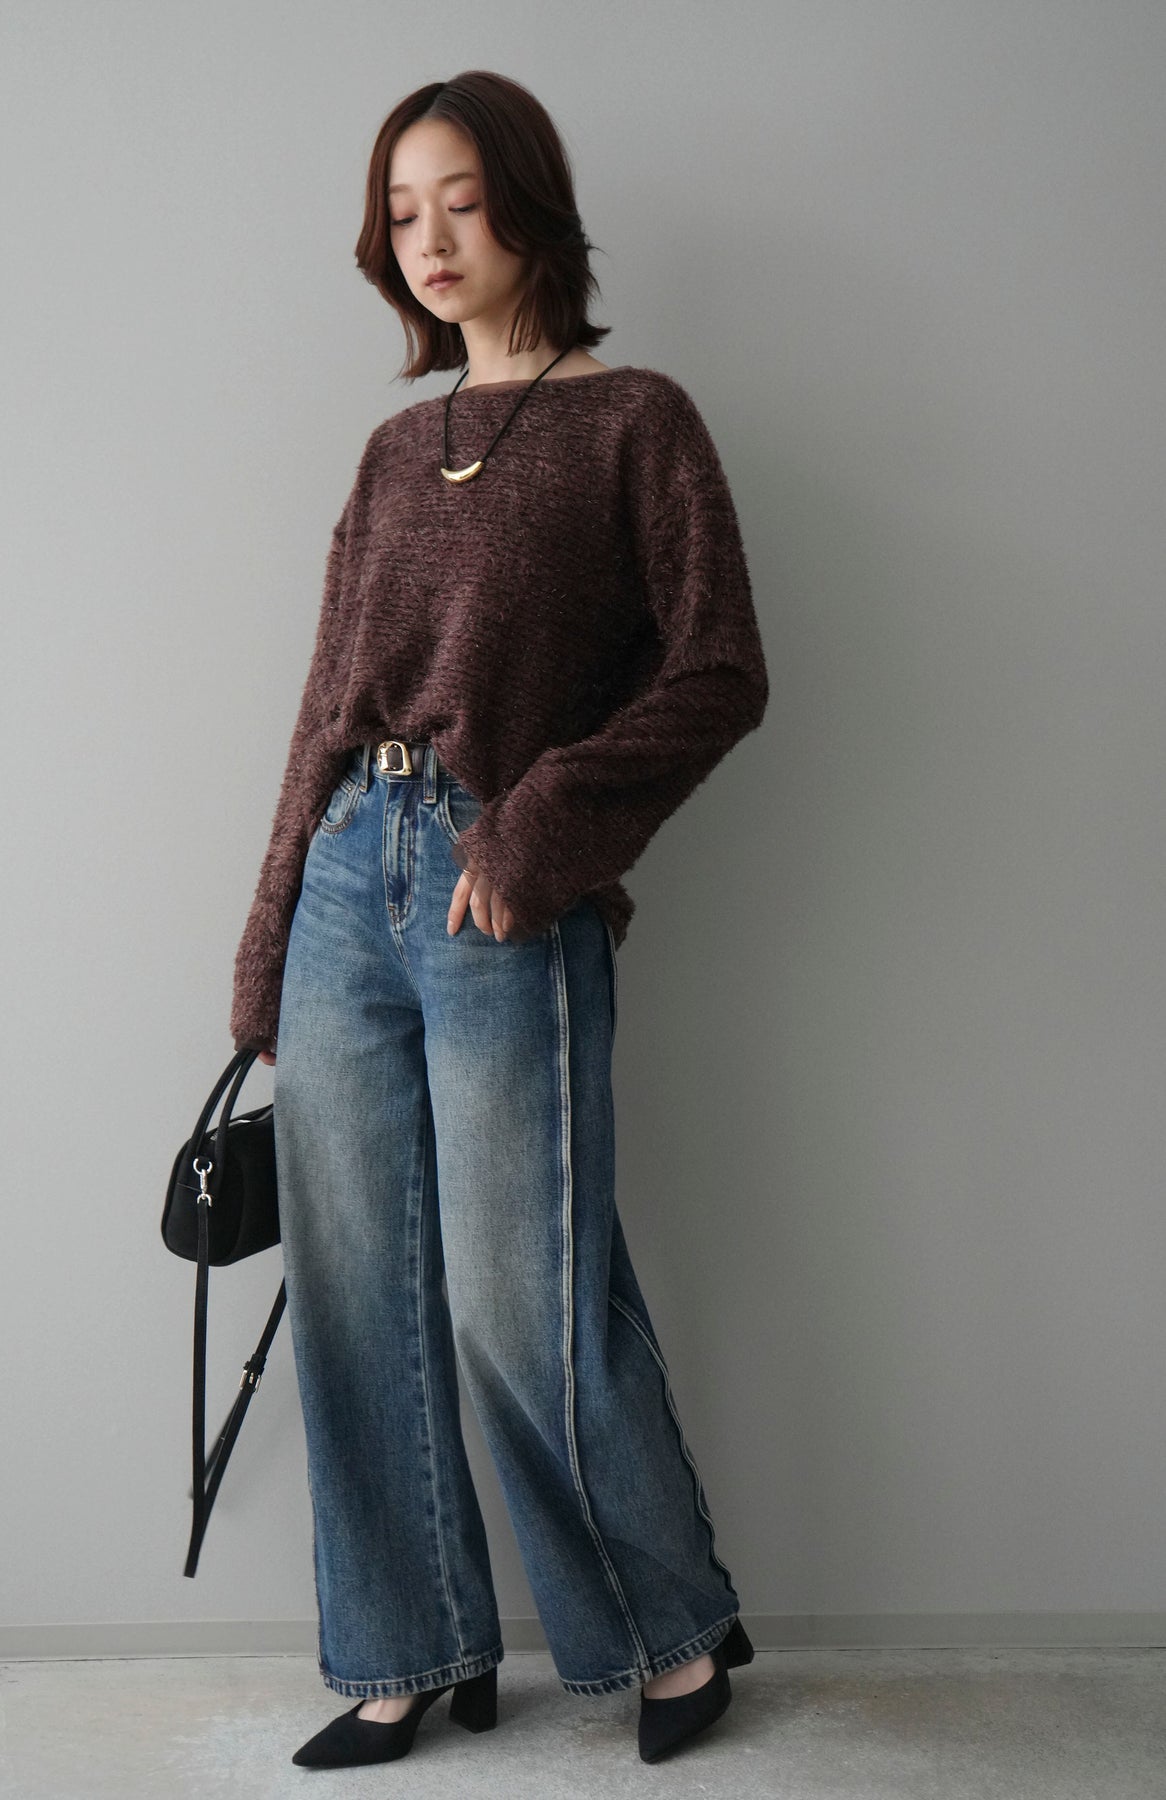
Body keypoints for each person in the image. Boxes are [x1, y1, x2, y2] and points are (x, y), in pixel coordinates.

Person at [229, 70, 769, 1769]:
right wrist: (265, 941)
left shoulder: (637, 423)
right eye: (401, 213)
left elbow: (717, 671)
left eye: (459, 199)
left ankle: (673, 1631)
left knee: (517, 1294)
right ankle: (411, 1653)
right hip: (347, 881)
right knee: (352, 1293)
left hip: (499, 889)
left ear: (530, 203)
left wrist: (540, 826)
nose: (431, 239)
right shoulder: (395, 449)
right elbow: (323, 707)